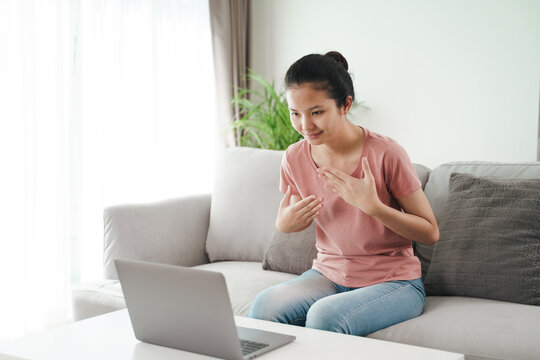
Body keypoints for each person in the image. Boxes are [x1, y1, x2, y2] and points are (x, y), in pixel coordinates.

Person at [248, 51, 440, 336]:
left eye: (316, 112)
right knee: (265, 306)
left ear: (345, 104)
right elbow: (295, 214)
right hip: (328, 274)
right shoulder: (294, 158)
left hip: (395, 282)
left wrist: (374, 207)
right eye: (295, 113)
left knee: (325, 317)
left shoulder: (386, 153)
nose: (305, 125)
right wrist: (284, 224)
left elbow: (430, 232)